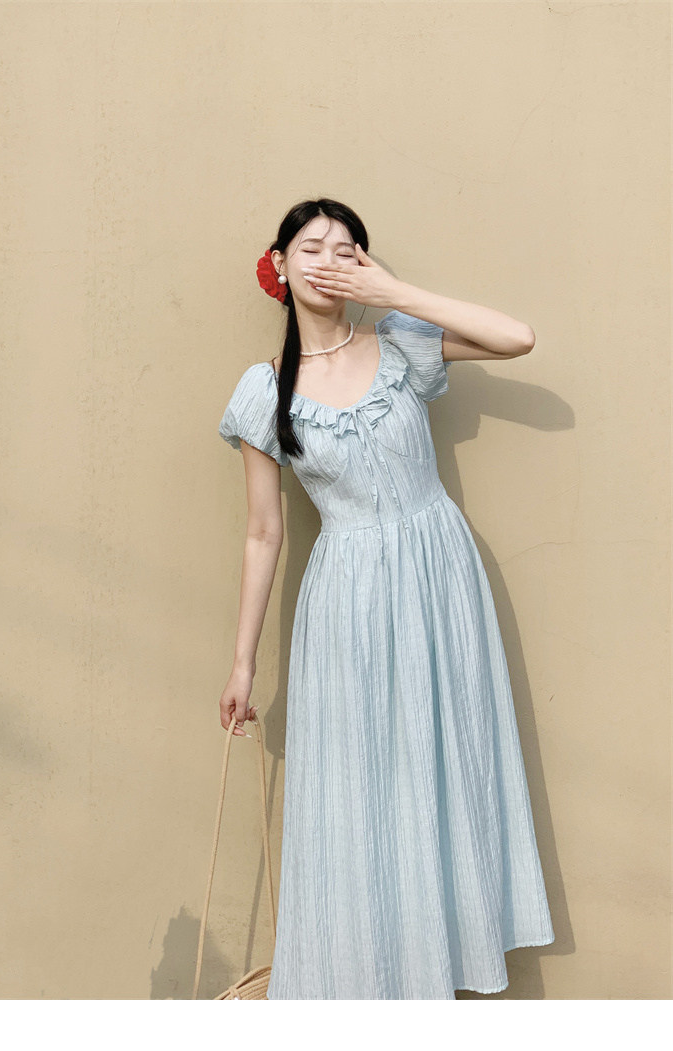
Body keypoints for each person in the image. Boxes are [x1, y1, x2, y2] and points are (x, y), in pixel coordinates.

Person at [217, 197, 555, 999]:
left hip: (439, 578)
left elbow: (517, 337)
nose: (329, 260)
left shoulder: (400, 342)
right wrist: (242, 663)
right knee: (359, 783)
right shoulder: (265, 390)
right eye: (311, 247)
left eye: (347, 249)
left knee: (442, 767)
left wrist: (394, 292)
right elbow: (263, 533)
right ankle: (364, 986)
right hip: (347, 597)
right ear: (279, 265)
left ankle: (442, 969)